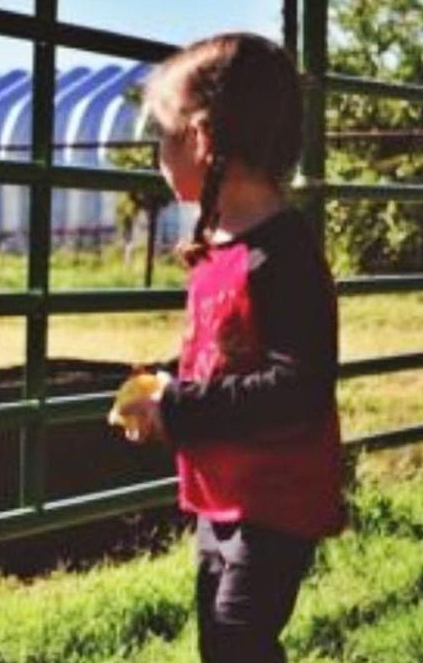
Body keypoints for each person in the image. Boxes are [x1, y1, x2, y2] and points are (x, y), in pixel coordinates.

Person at [114, 32, 346, 663]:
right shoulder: (221, 247)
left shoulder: (284, 255)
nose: (156, 154)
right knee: (222, 641)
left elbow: (297, 388)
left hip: (276, 497)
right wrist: (164, 386)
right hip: (222, 491)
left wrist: (182, 408)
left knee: (238, 640)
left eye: (162, 135)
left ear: (202, 138)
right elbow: (226, 356)